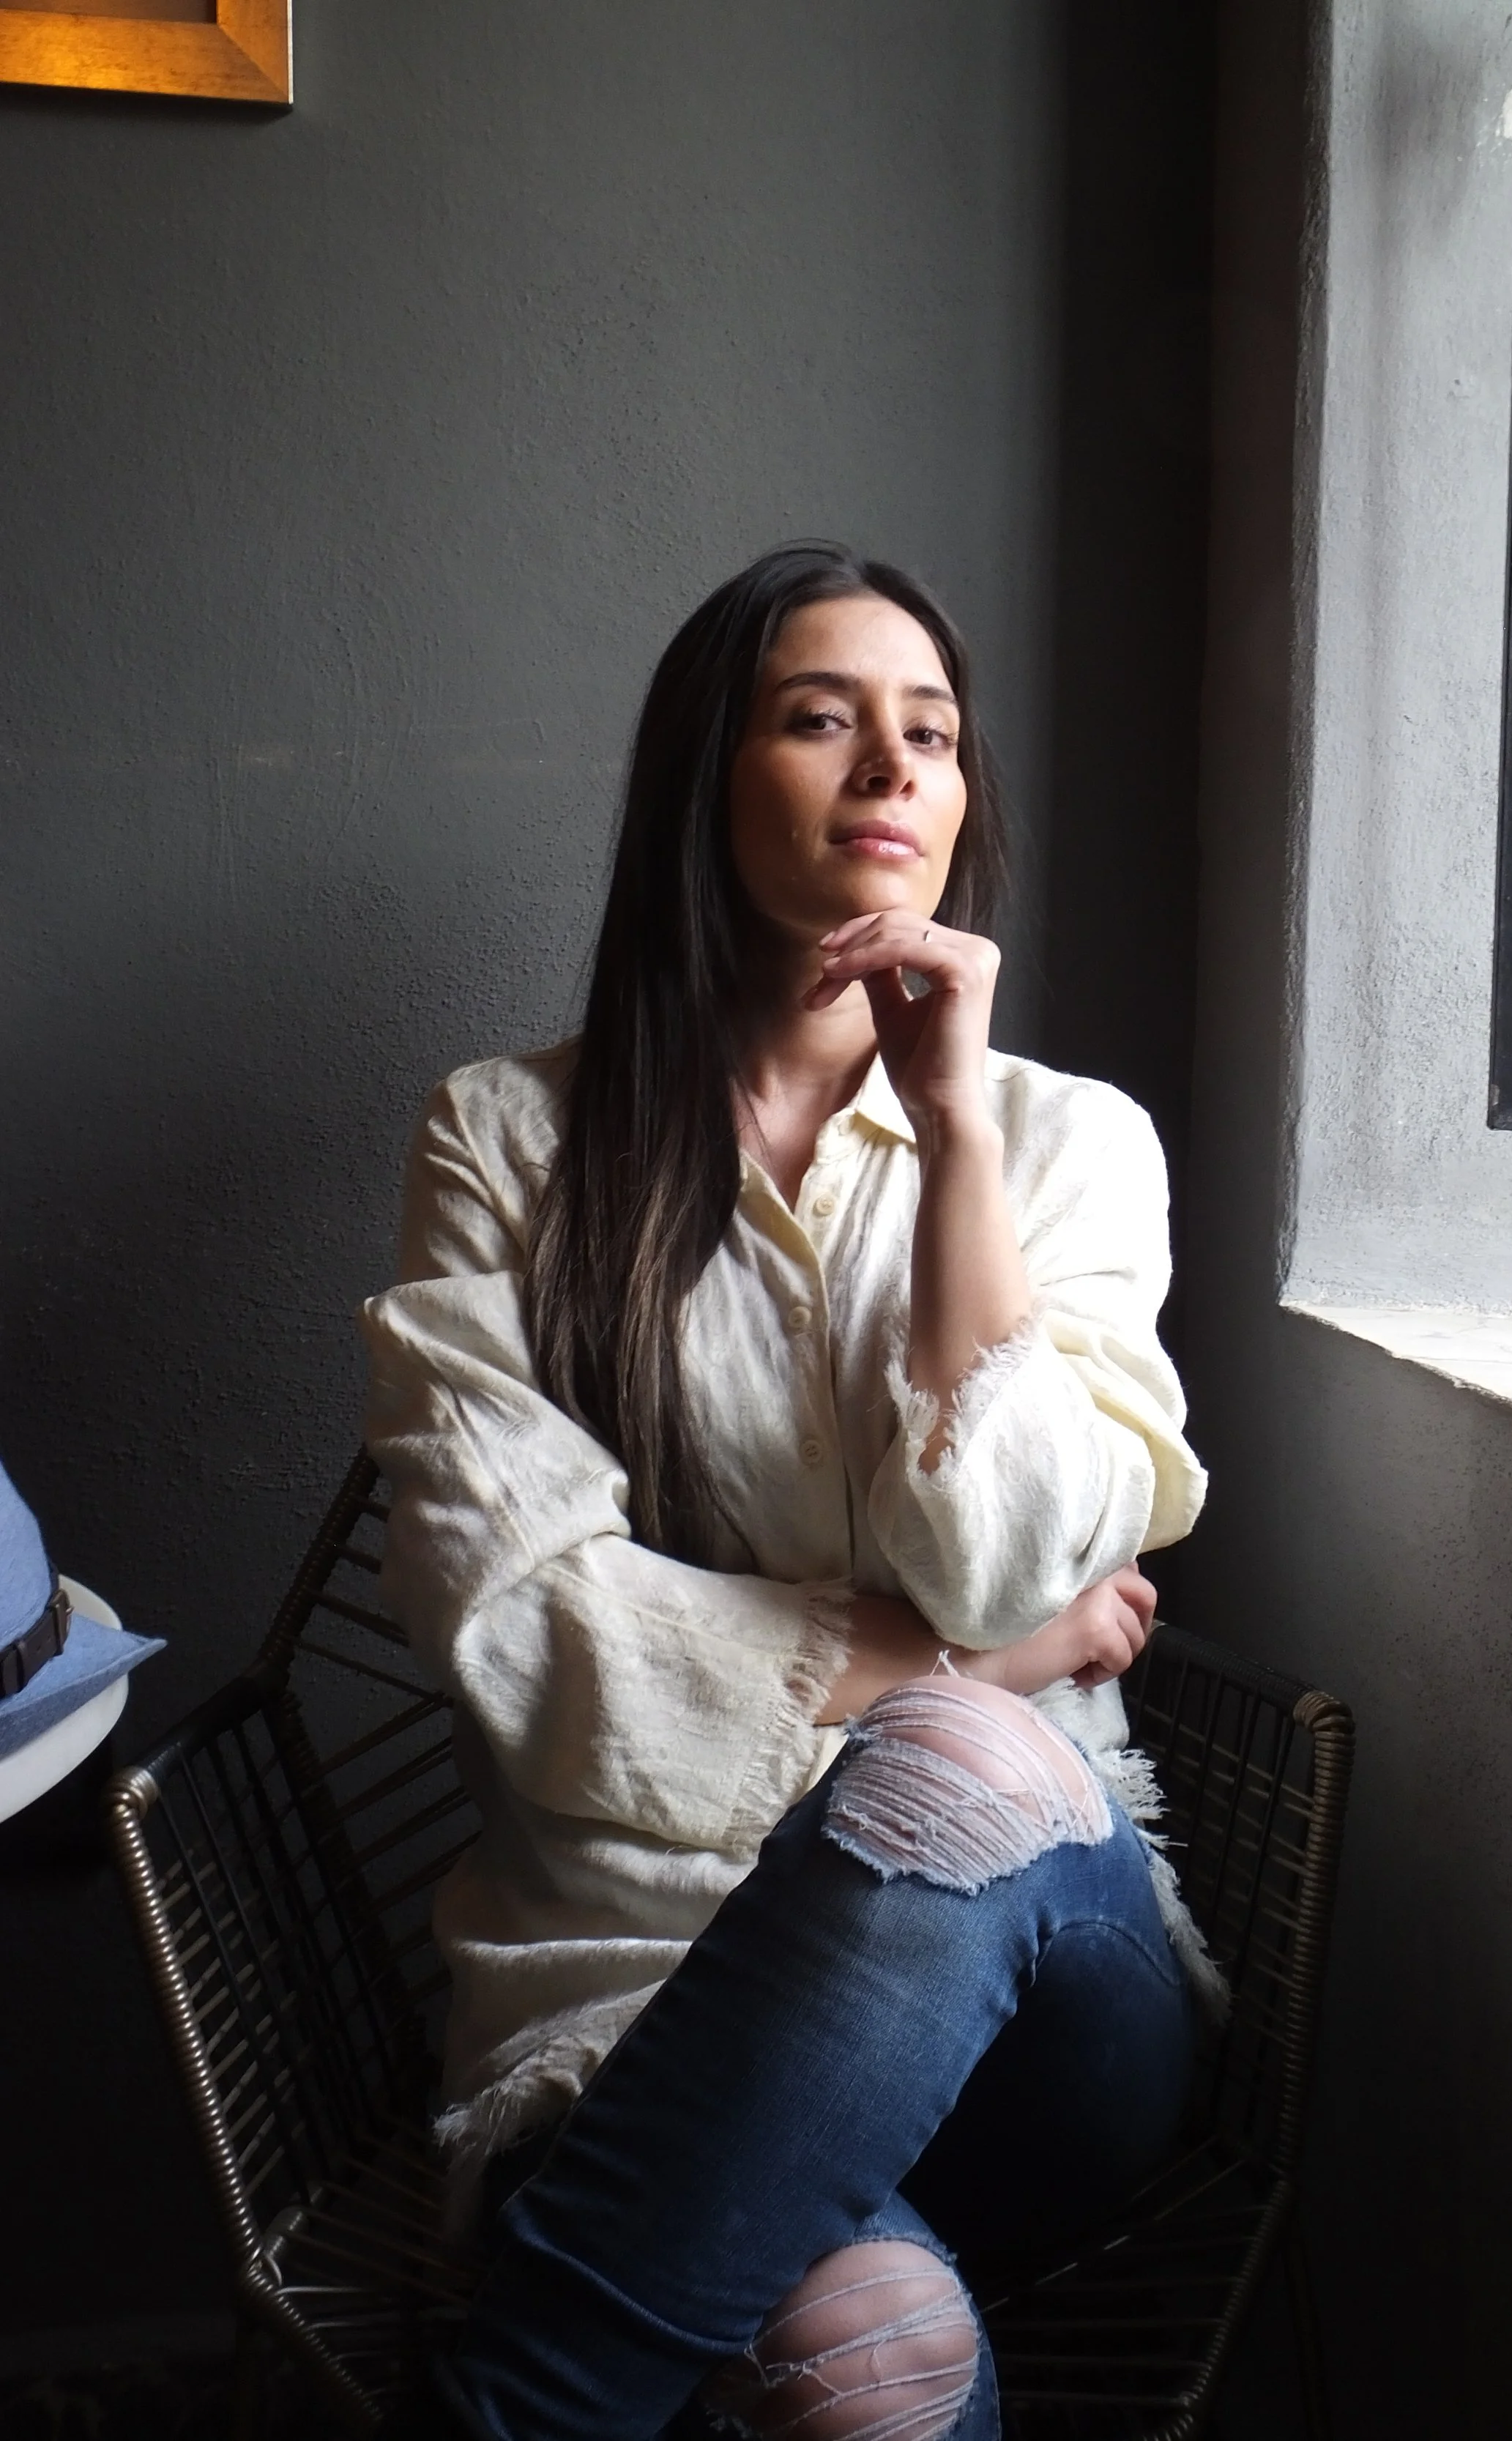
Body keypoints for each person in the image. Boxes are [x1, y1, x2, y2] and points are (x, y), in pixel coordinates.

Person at [364, 542, 1210, 2441]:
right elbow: (519, 1625)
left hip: (1034, 1999)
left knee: (971, 1775)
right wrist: (967, 1662)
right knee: (865, 2355)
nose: (889, 768)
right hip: (630, 1974)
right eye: (819, 718)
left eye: (930, 732)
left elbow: (1014, 1548)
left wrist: (957, 1125)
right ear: (702, 777)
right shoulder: (508, 1138)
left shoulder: (1069, 1143)